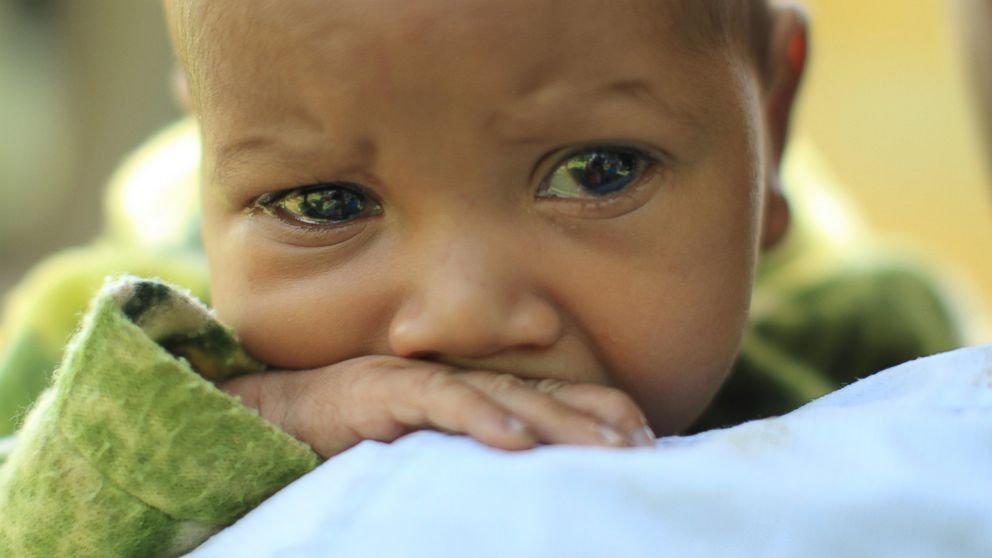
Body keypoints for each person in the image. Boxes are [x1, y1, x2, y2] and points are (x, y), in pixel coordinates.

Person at [0, 0, 963, 555]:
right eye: (327, 205)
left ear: (776, 121)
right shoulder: (106, 368)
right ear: (210, 146)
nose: (458, 315)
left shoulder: (866, 348)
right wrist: (264, 421)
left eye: (598, 172)